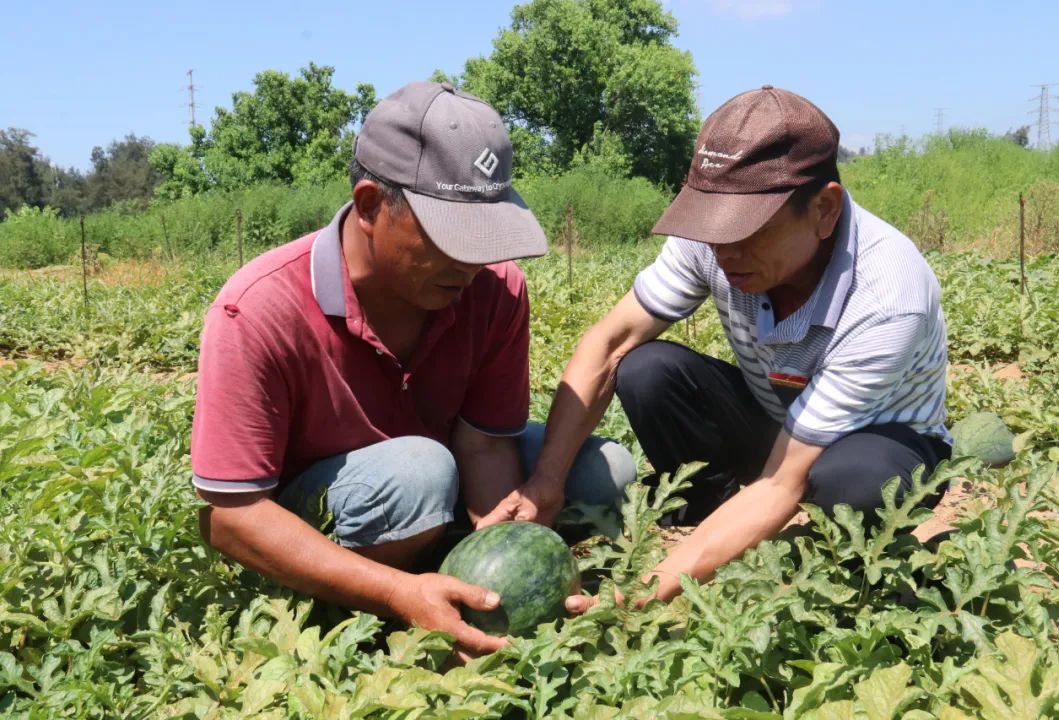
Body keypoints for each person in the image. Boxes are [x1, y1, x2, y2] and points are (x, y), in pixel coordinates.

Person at [191, 80, 635, 658]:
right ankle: (365, 611)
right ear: (372, 205)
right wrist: (400, 594)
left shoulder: (494, 288)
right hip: (329, 512)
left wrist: (506, 575)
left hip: (440, 476)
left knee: (607, 471)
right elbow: (232, 517)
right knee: (418, 472)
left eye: (487, 237)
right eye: (453, 237)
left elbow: (484, 444)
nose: (475, 262)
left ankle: (444, 579)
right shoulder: (258, 308)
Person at [513, 85, 952, 612]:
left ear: (824, 210)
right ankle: (716, 515)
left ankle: (849, 564)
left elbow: (782, 479)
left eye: (747, 231)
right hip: (777, 418)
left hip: (881, 442)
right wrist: (546, 482)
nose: (724, 251)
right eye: (713, 228)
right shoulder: (714, 239)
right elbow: (608, 344)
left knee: (848, 480)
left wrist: (643, 590)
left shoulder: (887, 293)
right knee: (647, 369)